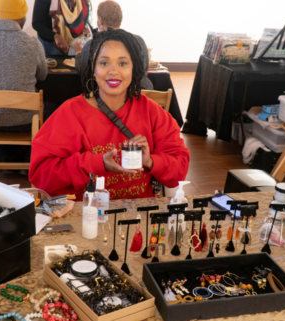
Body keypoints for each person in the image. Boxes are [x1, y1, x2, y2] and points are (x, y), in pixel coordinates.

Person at [30, 28, 189, 200]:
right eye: (104, 63)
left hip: (139, 216)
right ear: (93, 67)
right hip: (86, 216)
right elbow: (41, 175)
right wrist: (97, 163)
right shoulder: (70, 113)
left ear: (134, 68)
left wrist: (150, 161)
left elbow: (179, 171)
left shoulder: (152, 113)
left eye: (122, 63)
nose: (113, 71)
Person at [0, 0, 47, 164]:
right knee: (53, 109)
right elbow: (43, 75)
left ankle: (4, 155)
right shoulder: (32, 43)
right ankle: (28, 157)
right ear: (21, 15)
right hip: (25, 121)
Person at [73, 0, 153, 90]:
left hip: (109, 95)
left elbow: (83, 70)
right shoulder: (139, 41)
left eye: (122, 63)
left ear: (100, 20)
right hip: (145, 91)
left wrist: (78, 52)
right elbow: (144, 69)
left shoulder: (92, 45)